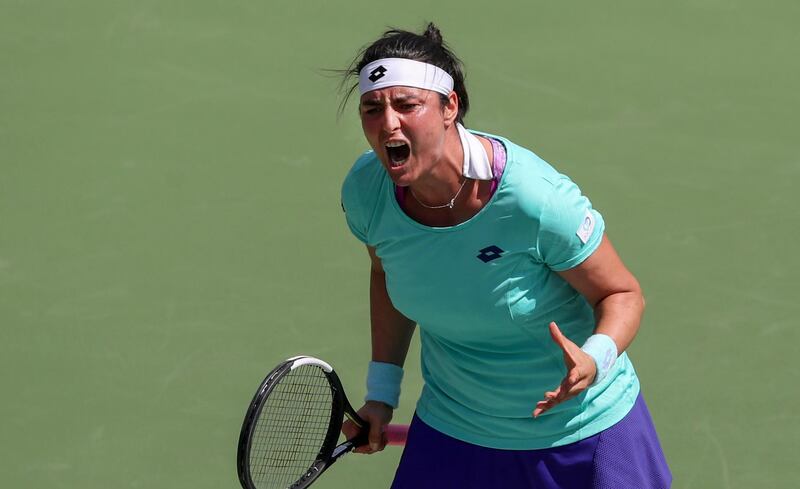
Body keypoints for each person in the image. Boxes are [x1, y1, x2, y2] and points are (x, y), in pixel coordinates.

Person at [339, 23, 671, 489]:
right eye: (372, 108)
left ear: (449, 106)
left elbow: (622, 293)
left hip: (578, 436)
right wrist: (380, 395)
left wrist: (593, 359)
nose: (388, 122)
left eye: (407, 105)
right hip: (455, 433)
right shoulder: (367, 192)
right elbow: (386, 273)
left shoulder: (535, 201)